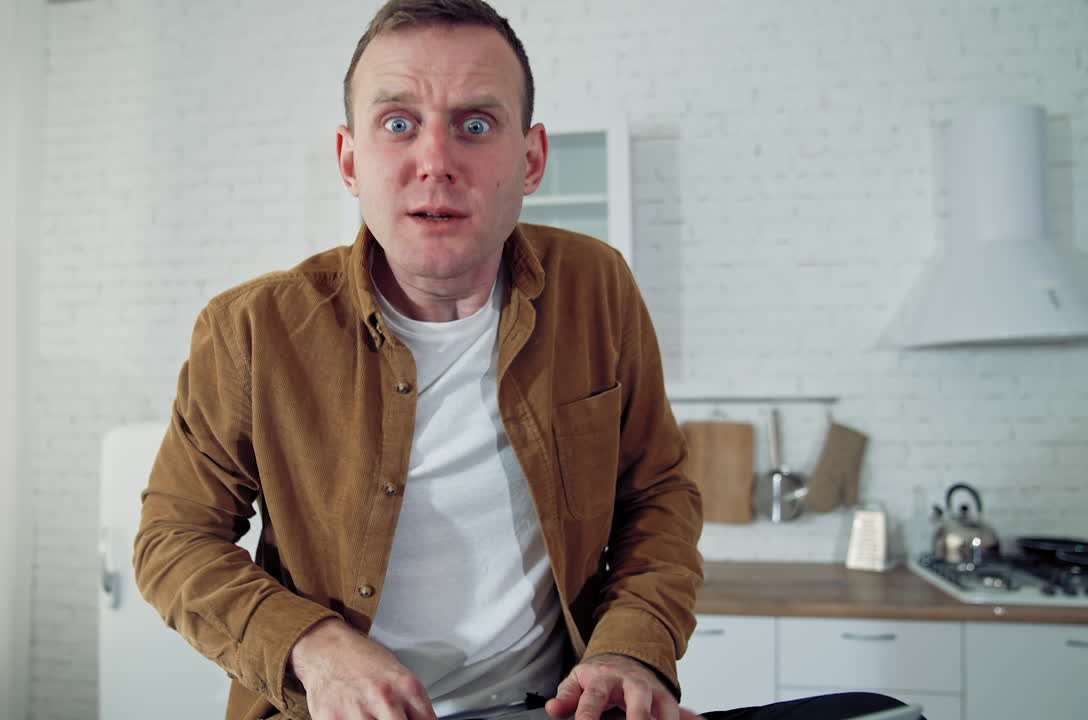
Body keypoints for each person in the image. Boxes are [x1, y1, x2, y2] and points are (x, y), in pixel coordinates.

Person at [135, 3, 918, 720]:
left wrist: (630, 646)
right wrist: (315, 645)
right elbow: (173, 539)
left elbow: (657, 494)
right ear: (349, 160)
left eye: (475, 125)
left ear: (533, 159)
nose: (435, 160)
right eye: (398, 124)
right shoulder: (251, 331)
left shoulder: (597, 286)